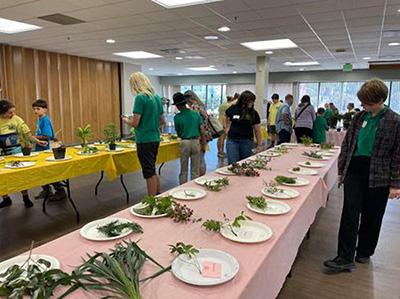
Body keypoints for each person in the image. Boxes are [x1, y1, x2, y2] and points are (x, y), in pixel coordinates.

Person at [324, 79, 400, 272]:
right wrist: (342, 171)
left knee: (372, 215)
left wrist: (396, 184)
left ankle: (364, 251)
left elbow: (398, 155)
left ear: (381, 99)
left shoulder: (395, 121)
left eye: (369, 103)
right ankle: (345, 256)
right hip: (355, 170)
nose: (365, 106)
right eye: (363, 102)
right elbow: (348, 145)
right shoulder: (359, 117)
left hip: (379, 173)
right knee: (350, 212)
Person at [122, 72, 165, 196]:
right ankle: (158, 195)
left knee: (148, 172)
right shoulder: (156, 97)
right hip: (155, 138)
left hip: (144, 140)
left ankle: (152, 200)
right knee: (152, 169)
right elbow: (162, 121)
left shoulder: (140, 98)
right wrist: (151, 125)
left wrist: (125, 120)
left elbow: (135, 123)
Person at [0, 99, 45, 208]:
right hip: (1, 152)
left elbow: (27, 134)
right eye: (10, 112)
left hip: (15, 151)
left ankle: (25, 197)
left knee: (19, 176)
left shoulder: (16, 119)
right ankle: (6, 198)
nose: (13, 114)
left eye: (13, 111)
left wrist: (37, 141)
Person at [31, 99, 66, 201]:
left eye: (38, 108)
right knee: (41, 171)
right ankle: (46, 190)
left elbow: (48, 136)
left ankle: (60, 191)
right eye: (34, 109)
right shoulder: (40, 118)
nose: (35, 111)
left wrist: (34, 137)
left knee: (49, 171)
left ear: (45, 110)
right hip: (40, 148)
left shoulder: (45, 120)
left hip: (45, 149)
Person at [173, 92, 204, 184]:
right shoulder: (196, 114)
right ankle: (195, 187)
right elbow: (202, 130)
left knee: (183, 169)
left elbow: (178, 133)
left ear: (177, 106)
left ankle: (183, 188)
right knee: (195, 169)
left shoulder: (177, 117)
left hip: (185, 142)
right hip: (195, 141)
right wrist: (203, 142)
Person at [225, 90, 263, 164]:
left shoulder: (253, 113)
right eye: (250, 101)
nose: (252, 103)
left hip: (247, 141)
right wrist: (227, 127)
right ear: (244, 100)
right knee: (233, 163)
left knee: (245, 163)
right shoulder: (233, 108)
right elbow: (226, 116)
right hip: (232, 140)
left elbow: (257, 130)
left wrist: (259, 144)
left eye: (253, 101)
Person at [184, 90, 211, 176]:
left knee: (199, 160)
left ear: (189, 99)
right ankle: (202, 176)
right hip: (206, 133)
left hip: (199, 135)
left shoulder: (194, 108)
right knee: (202, 157)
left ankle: (200, 178)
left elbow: (196, 123)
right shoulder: (201, 105)